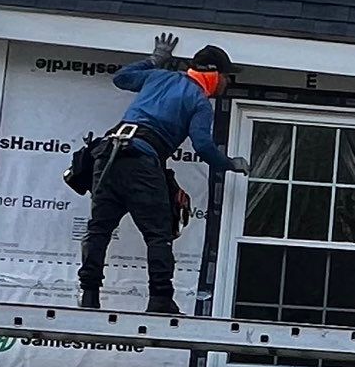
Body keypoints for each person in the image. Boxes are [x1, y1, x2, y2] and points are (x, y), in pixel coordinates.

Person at [79, 35, 248, 315]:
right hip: (141, 161)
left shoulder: (159, 77)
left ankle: (89, 296)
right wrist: (230, 163)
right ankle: (159, 300)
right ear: (213, 74)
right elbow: (203, 146)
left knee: (99, 229)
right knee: (158, 234)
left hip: (108, 155)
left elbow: (122, 78)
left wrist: (155, 59)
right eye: (227, 77)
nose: (228, 83)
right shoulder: (199, 101)